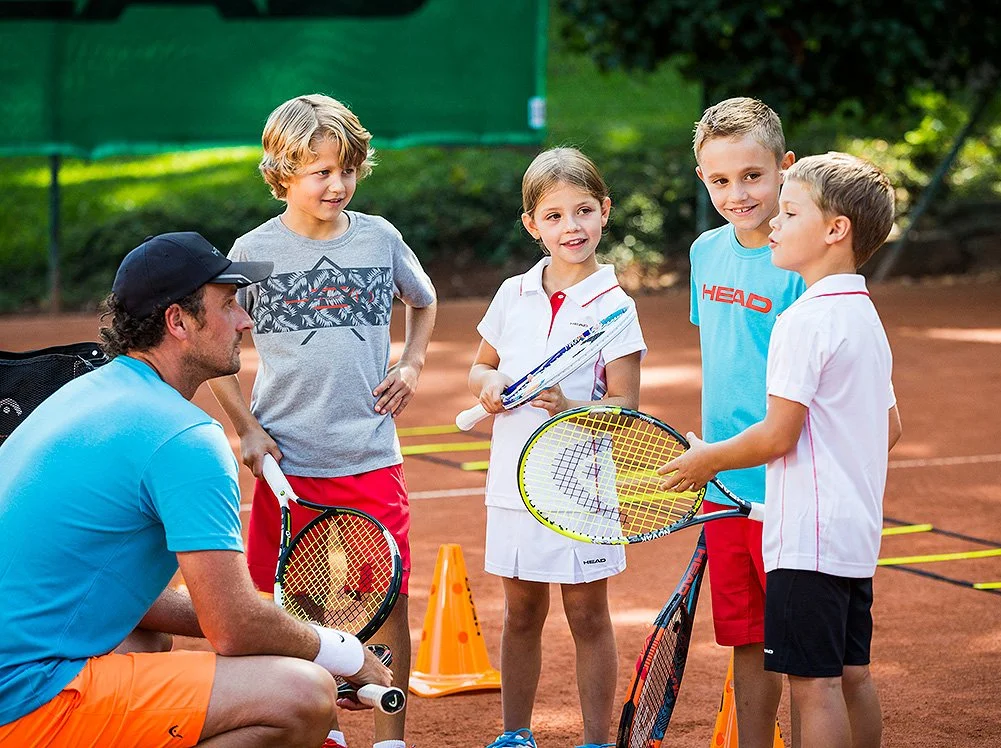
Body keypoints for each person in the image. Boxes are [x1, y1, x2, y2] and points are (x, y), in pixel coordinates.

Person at [0, 232, 393, 748]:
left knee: (146, 638)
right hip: (25, 700)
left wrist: (291, 636)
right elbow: (232, 625)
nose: (246, 321)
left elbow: (141, 600)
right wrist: (342, 652)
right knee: (303, 695)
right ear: (178, 322)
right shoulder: (186, 438)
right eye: (228, 305)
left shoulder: (85, 392)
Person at [208, 94, 437, 748]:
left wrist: (413, 364)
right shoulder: (251, 251)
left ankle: (391, 739)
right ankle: (323, 733)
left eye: (347, 170)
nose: (336, 184)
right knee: (291, 610)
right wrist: (245, 429)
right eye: (319, 172)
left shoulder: (379, 237)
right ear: (282, 173)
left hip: (369, 455)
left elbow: (423, 301)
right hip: (288, 466)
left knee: (384, 599)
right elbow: (214, 345)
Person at [659, 152, 903, 748]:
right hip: (852, 532)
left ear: (834, 230)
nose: (774, 223)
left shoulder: (802, 319)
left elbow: (777, 435)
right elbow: (890, 427)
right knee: (852, 674)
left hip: (803, 536)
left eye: (789, 212)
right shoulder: (864, 314)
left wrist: (705, 460)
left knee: (811, 685)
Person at [467, 147, 646, 748]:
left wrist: (570, 407)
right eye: (554, 216)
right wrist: (489, 386)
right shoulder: (513, 293)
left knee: (588, 616)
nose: (572, 227)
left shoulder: (617, 308)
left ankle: (596, 740)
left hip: (580, 487)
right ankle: (515, 734)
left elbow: (625, 408)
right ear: (531, 224)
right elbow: (481, 367)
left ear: (605, 212)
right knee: (520, 614)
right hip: (511, 482)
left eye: (584, 211)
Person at [689, 96, 805, 747]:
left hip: (789, 484)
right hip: (725, 488)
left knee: (821, 661)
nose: (738, 192)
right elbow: (727, 358)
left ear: (784, 168)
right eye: (720, 179)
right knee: (748, 640)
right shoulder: (705, 252)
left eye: (752, 175)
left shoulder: (801, 262)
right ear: (703, 179)